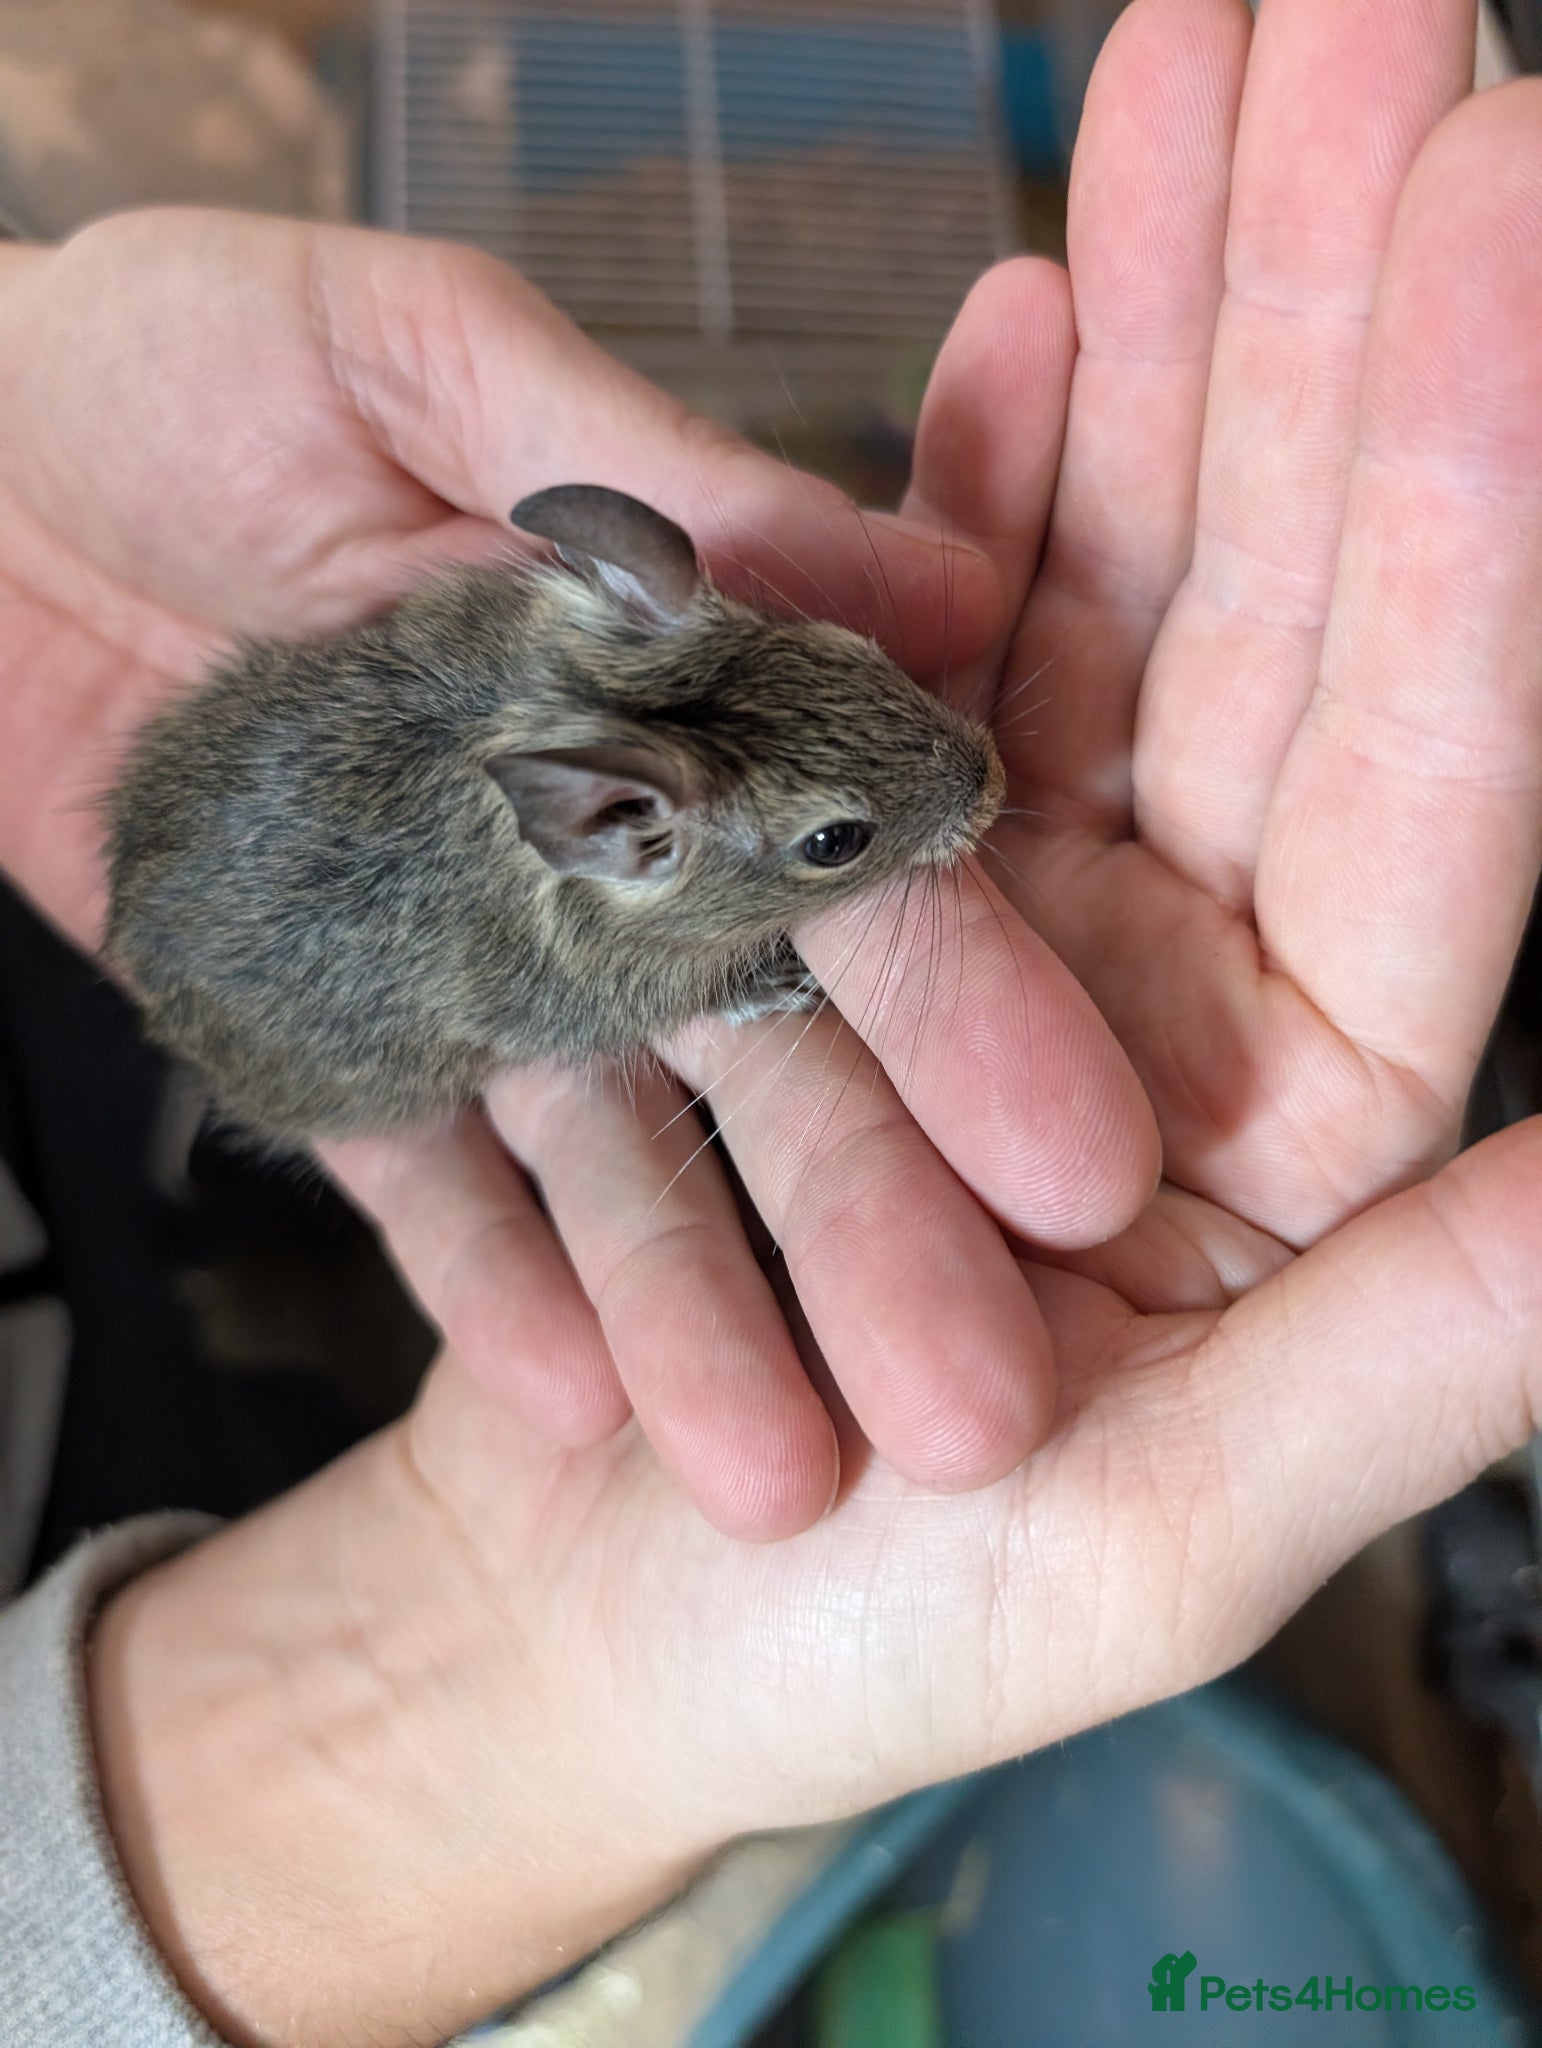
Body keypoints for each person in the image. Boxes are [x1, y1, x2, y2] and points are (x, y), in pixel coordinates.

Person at [0, 0, 1538, 2041]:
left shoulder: (578, 631)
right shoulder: (609, 902)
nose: (947, 807)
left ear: (630, 580)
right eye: (842, 832)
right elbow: (619, 961)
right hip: (301, 1017)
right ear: (630, 835)